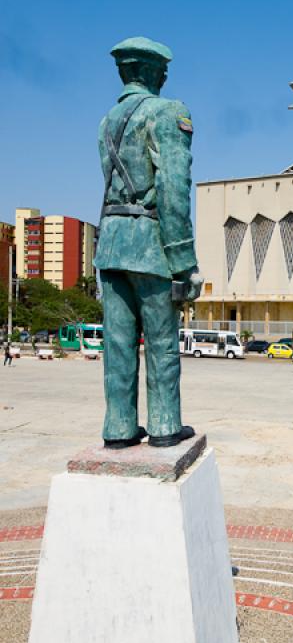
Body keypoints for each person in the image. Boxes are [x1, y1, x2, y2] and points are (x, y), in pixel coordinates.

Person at [94, 36, 203, 449]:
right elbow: (174, 187)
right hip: (150, 245)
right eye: (164, 70)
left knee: (117, 345)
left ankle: (119, 428)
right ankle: (163, 425)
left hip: (112, 244)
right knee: (161, 343)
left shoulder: (107, 121)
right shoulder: (169, 112)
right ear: (155, 72)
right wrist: (184, 260)